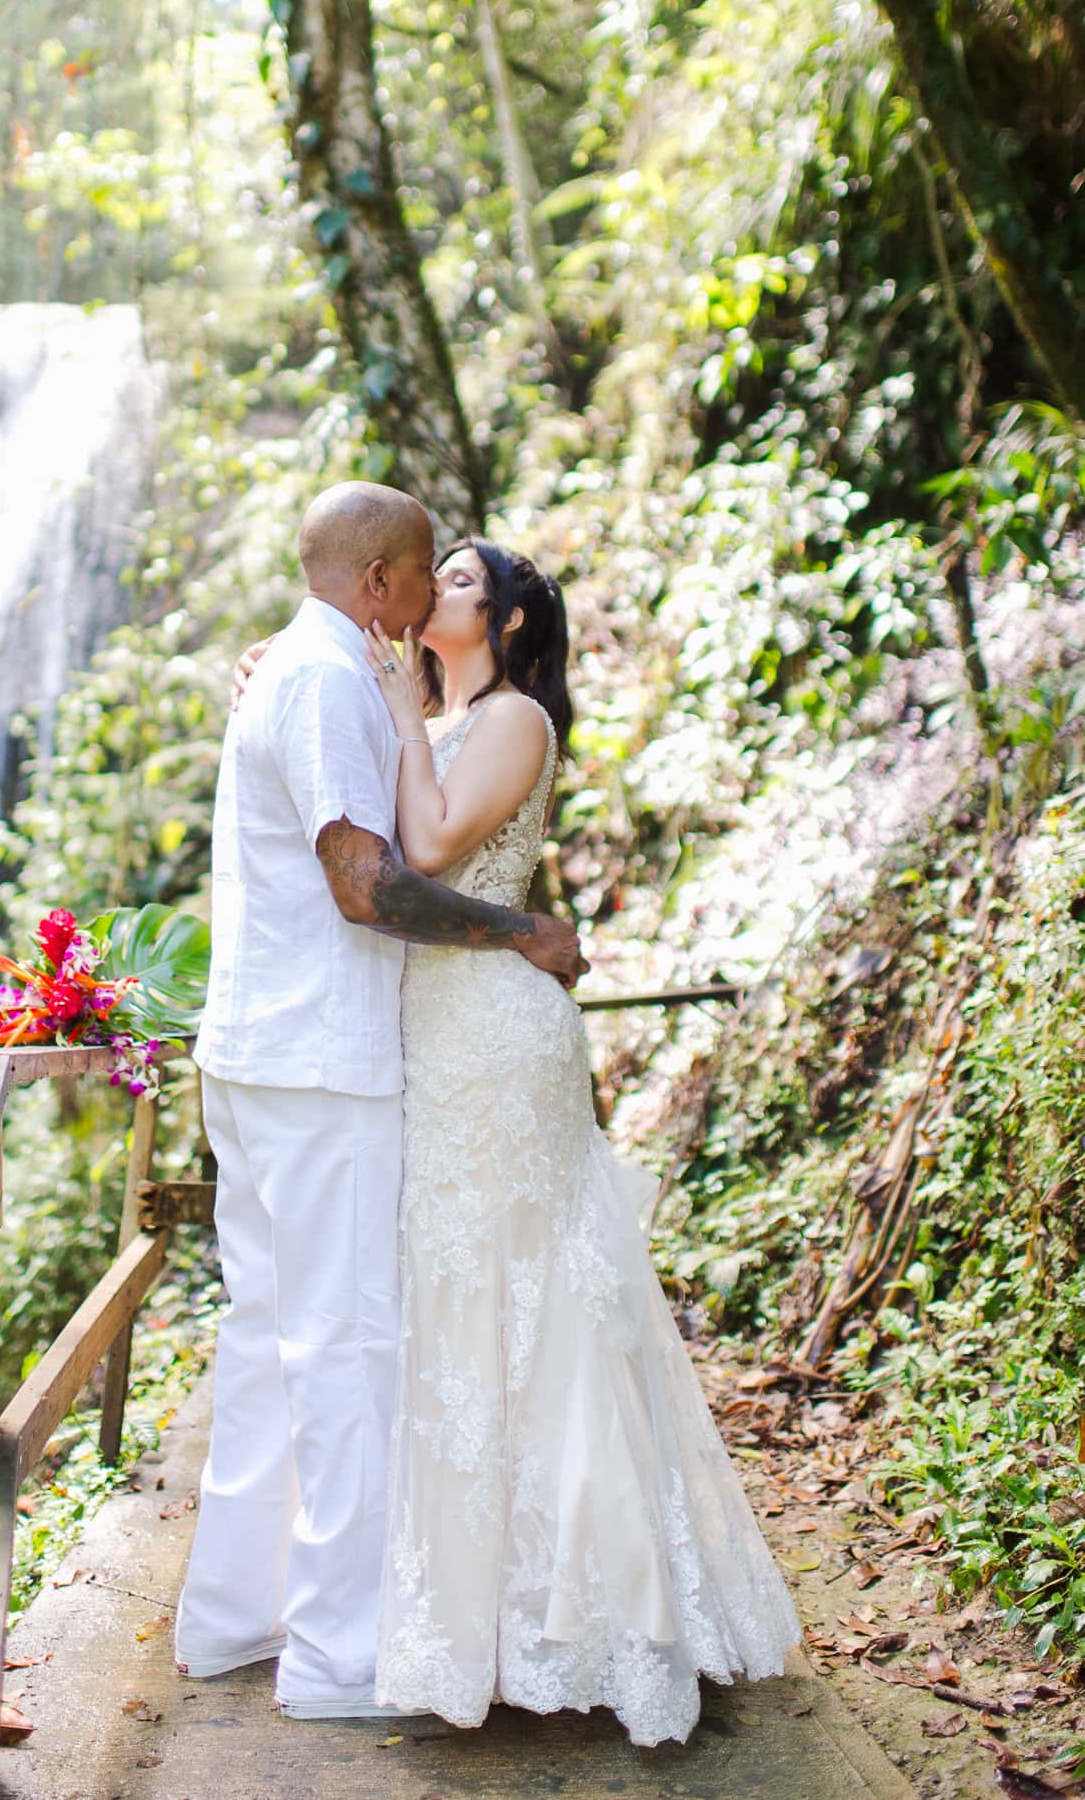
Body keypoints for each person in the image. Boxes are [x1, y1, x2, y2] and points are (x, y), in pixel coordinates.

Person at [363, 538, 801, 1744]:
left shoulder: (510, 721)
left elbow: (436, 846)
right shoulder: (436, 713)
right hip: (433, 1028)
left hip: (499, 1035)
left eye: (459, 582)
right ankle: (487, 1623)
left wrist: (404, 708)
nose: (431, 591)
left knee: (538, 1296)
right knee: (459, 1305)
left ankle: (608, 1614)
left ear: (506, 625)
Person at [173, 485, 585, 1721]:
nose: (418, 607)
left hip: (259, 1056)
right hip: (318, 1062)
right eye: (418, 579)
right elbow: (367, 883)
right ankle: (339, 1657)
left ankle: (233, 1618)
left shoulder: (303, 674)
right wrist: (519, 929)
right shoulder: (325, 684)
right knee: (344, 1348)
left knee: (264, 1341)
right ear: (377, 584)